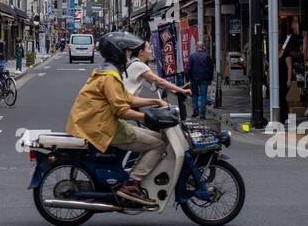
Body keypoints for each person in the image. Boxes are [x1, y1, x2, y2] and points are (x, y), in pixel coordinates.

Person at [66, 31, 184, 208]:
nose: (130, 55)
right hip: (103, 127)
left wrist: (155, 101)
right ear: (118, 52)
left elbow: (126, 99)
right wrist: (148, 117)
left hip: (100, 123)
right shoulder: (110, 76)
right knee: (159, 145)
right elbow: (122, 110)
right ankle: (132, 183)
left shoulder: (107, 70)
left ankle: (135, 174)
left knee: (158, 138)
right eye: (128, 52)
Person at [185, 43, 215, 119]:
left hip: (194, 78)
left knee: (194, 95)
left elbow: (188, 68)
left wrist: (187, 79)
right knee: (203, 96)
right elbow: (211, 68)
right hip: (204, 78)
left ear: (196, 47)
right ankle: (202, 114)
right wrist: (210, 79)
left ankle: (195, 111)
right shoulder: (207, 56)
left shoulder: (192, 56)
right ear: (203, 47)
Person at [278, 37, 294, 125]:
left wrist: (289, 80)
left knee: (282, 97)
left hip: (284, 78)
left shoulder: (286, 54)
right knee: (278, 98)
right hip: (276, 79)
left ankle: (285, 117)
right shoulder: (274, 53)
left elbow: (290, 68)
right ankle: (280, 116)